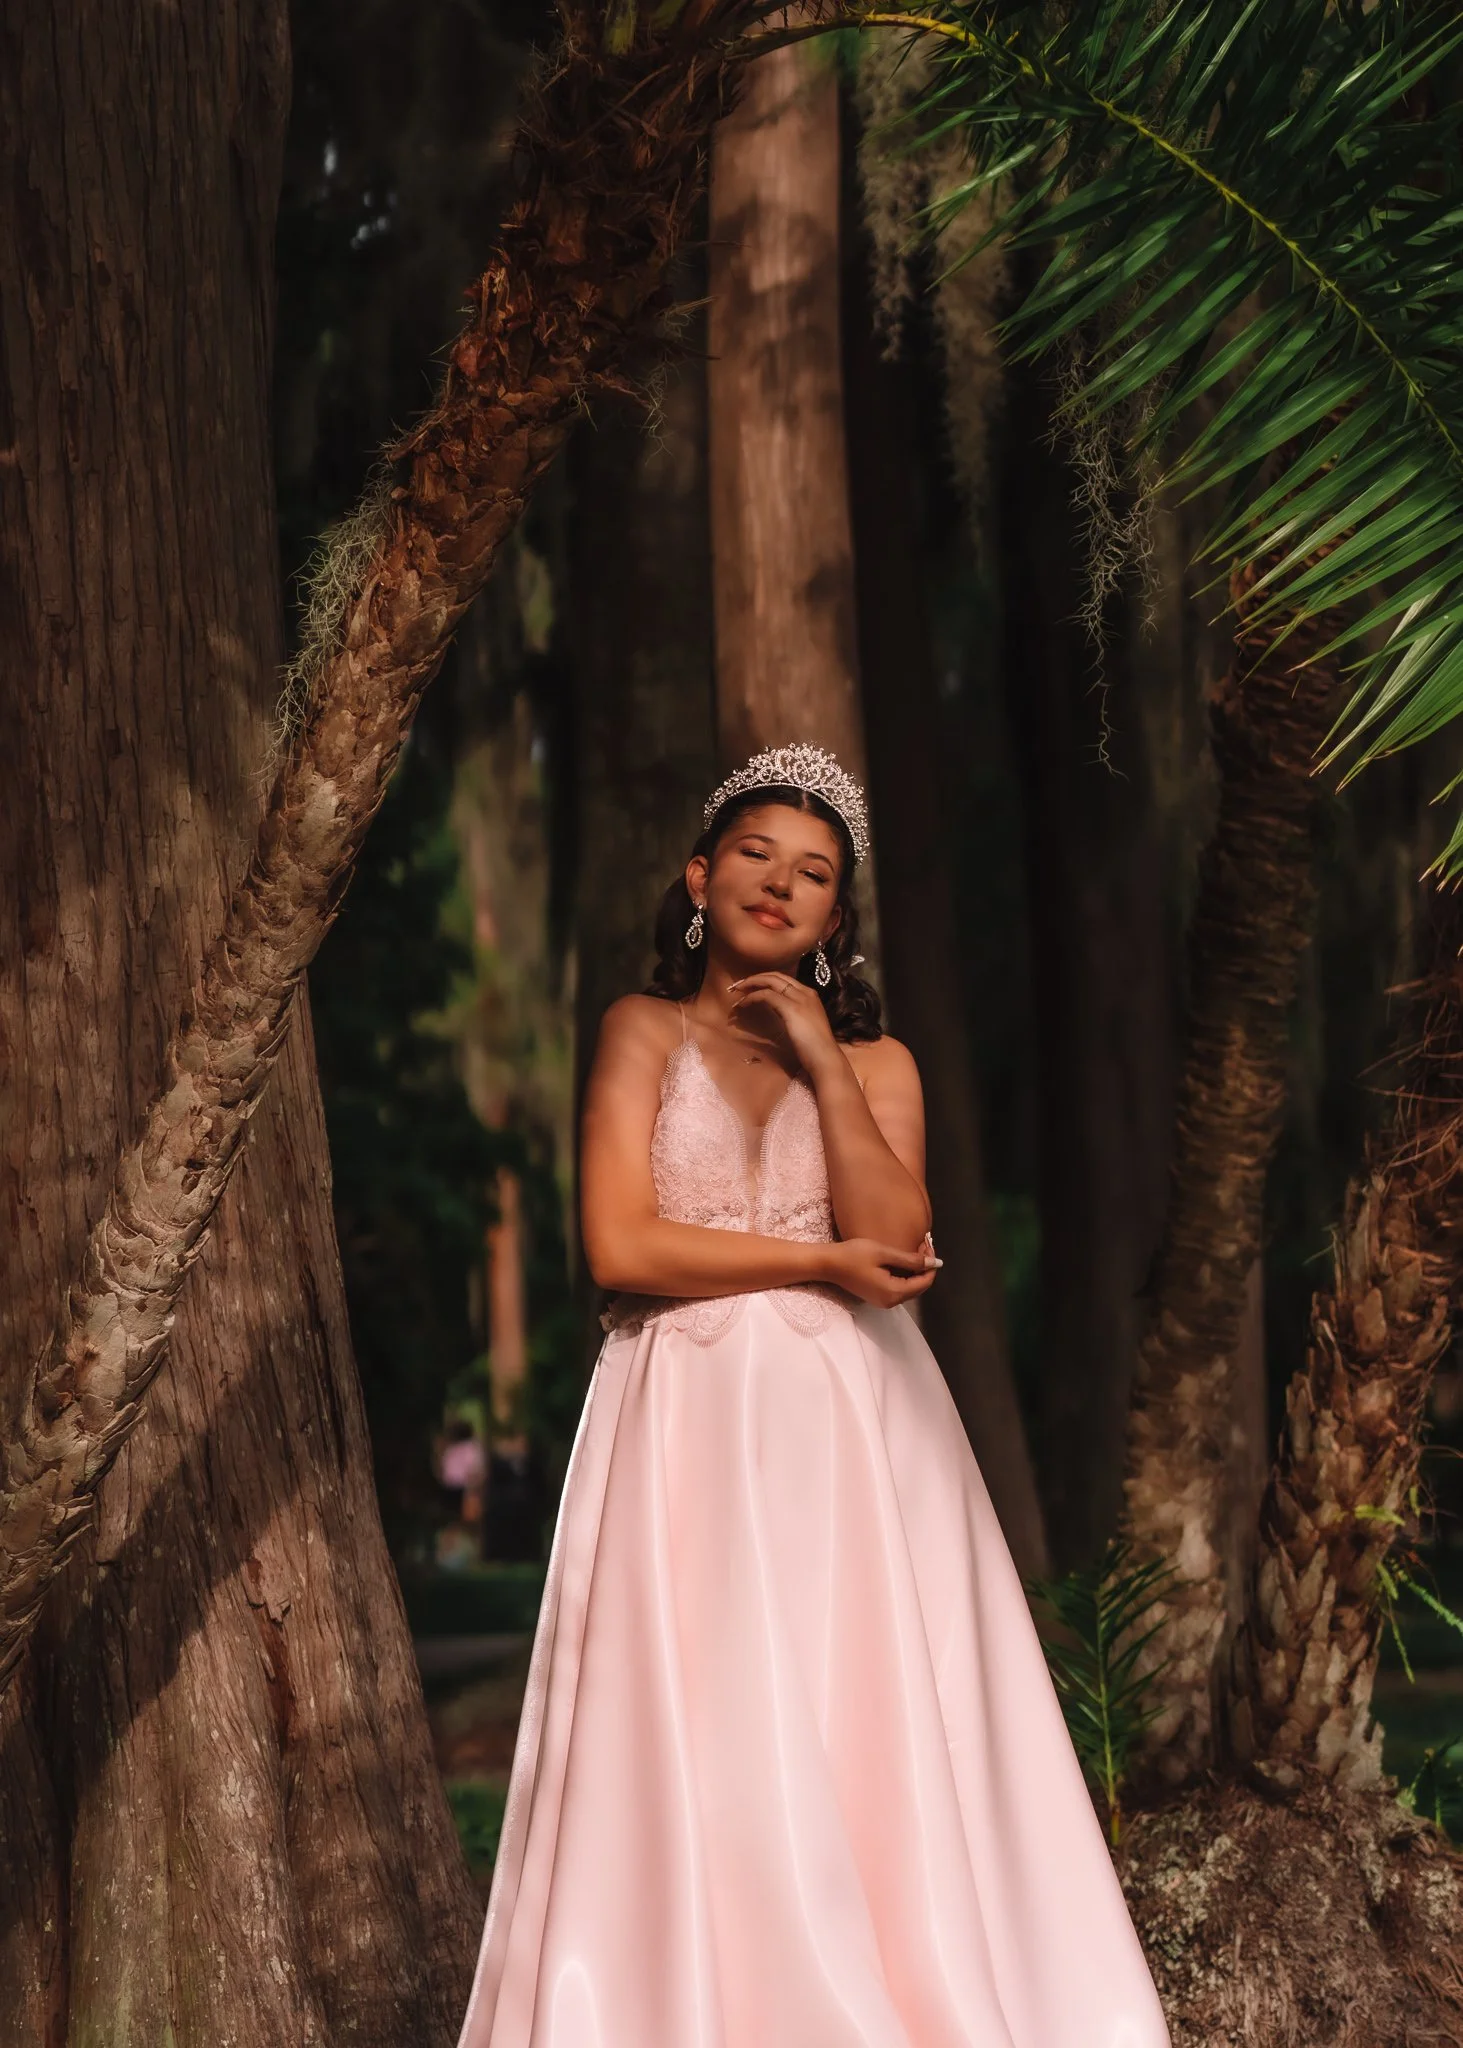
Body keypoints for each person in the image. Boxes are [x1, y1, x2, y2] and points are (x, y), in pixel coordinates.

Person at [455, 745, 1171, 2047]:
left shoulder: (879, 1063)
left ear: (837, 919)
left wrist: (820, 1061)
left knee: (863, 1721)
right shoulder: (639, 1030)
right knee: (701, 1727)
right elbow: (620, 1246)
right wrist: (813, 1260)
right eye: (753, 857)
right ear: (698, 876)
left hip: (848, 1430)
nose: (778, 886)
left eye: (813, 876)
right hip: (678, 1415)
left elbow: (895, 1240)